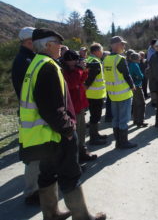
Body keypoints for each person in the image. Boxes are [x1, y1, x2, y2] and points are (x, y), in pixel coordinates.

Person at [19, 28, 105, 220]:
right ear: (47, 45)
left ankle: (52, 214)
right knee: (70, 174)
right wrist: (67, 129)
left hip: (41, 135)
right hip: (55, 134)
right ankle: (82, 216)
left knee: (47, 174)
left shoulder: (35, 64)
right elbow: (52, 107)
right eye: (57, 43)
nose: (61, 47)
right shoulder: (48, 66)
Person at [11, 27, 40, 205]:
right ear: (29, 41)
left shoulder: (26, 58)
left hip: (29, 110)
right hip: (30, 112)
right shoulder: (25, 60)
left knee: (36, 152)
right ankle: (31, 192)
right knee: (33, 153)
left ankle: (35, 188)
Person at [62, 50, 97, 162]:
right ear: (69, 61)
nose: (78, 62)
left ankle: (82, 153)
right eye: (76, 60)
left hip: (80, 104)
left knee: (82, 132)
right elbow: (72, 84)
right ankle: (76, 158)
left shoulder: (75, 69)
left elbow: (80, 81)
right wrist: (80, 69)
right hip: (73, 107)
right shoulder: (64, 71)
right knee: (75, 134)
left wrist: (85, 71)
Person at [103, 36, 137, 149]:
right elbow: (127, 75)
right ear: (116, 45)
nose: (124, 46)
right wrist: (132, 86)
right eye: (122, 44)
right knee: (124, 119)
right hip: (123, 94)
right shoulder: (120, 59)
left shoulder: (106, 59)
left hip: (113, 94)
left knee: (116, 119)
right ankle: (123, 142)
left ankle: (118, 142)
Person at [85, 43, 108, 145]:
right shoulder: (95, 62)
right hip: (95, 94)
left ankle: (95, 134)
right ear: (97, 51)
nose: (102, 52)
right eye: (102, 50)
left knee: (94, 115)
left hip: (91, 94)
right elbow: (90, 79)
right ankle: (93, 139)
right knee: (95, 116)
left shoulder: (89, 59)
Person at [128, 53, 148, 128]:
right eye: (139, 57)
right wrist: (142, 75)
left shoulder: (130, 64)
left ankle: (135, 120)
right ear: (136, 58)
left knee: (136, 104)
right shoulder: (135, 65)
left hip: (132, 86)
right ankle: (140, 121)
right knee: (142, 103)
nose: (140, 59)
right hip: (137, 86)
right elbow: (140, 76)